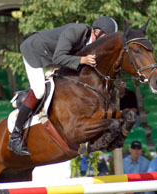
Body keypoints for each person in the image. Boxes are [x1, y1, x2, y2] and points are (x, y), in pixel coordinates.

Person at [8, 16, 119, 156]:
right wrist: (82, 60)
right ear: (97, 32)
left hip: (52, 55)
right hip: (34, 51)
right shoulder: (75, 31)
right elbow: (59, 58)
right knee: (39, 90)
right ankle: (15, 136)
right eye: (105, 38)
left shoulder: (93, 45)